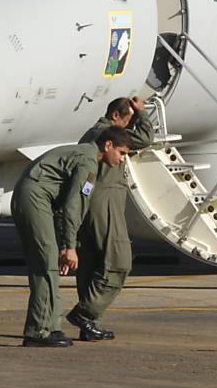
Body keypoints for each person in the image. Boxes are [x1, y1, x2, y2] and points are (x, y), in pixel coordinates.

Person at [11, 128, 132, 347]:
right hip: (35, 198)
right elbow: (73, 206)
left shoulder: (86, 155)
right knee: (46, 265)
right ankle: (38, 332)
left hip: (40, 200)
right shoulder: (88, 162)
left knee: (50, 265)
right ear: (108, 146)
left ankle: (51, 326)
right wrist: (69, 246)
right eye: (122, 153)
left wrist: (65, 244)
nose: (123, 159)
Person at [67, 96, 153, 341]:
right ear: (116, 115)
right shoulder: (108, 133)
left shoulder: (92, 132)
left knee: (91, 266)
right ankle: (85, 314)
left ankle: (90, 326)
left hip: (90, 199)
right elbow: (145, 139)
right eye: (129, 119)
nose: (128, 127)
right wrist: (143, 114)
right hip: (104, 202)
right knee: (119, 261)